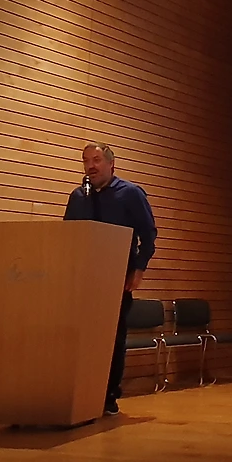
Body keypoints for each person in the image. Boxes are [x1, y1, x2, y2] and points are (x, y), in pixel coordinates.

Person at [63, 142, 158, 417]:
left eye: (96, 160)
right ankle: (79, 394)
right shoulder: (78, 197)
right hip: (81, 280)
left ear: (111, 164)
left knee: (112, 339)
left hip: (116, 279)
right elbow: (66, 236)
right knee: (79, 339)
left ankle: (108, 396)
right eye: (86, 161)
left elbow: (148, 236)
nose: (90, 166)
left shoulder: (130, 193)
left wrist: (138, 270)